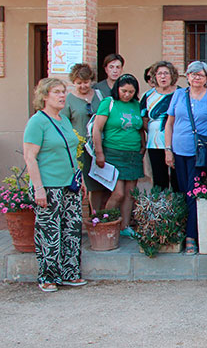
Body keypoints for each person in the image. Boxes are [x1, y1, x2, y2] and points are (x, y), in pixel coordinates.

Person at [24, 78, 87, 292]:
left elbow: (71, 151)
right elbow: (30, 157)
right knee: (49, 231)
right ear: (44, 96)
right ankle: (48, 276)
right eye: (57, 92)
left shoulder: (64, 120)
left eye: (63, 92)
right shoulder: (37, 122)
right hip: (48, 185)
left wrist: (80, 178)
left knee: (72, 228)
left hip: (69, 184)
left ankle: (70, 273)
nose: (62, 96)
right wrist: (38, 188)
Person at [165, 61, 207, 255]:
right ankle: (184, 231)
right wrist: (168, 149)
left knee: (193, 193)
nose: (196, 77)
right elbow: (169, 124)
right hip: (178, 151)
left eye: (201, 74)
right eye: (193, 74)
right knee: (182, 190)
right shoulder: (178, 95)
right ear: (187, 77)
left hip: (199, 154)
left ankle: (192, 237)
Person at [92, 74, 145, 237]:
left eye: (131, 91)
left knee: (130, 192)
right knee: (118, 192)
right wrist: (99, 153)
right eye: (124, 91)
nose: (127, 95)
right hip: (113, 153)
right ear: (117, 89)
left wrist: (142, 146)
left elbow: (140, 127)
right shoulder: (109, 103)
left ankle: (124, 226)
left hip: (133, 154)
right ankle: (104, 224)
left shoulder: (136, 105)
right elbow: (97, 129)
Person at [60, 63, 106, 213]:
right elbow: (64, 124)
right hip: (80, 148)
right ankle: (78, 217)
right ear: (73, 82)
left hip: (99, 145)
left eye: (86, 82)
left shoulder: (99, 96)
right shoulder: (69, 100)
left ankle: (96, 216)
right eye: (79, 83)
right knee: (81, 182)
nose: (83, 86)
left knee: (98, 184)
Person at [140, 61, 179, 191]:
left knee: (177, 180)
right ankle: (161, 210)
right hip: (155, 143)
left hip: (177, 143)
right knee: (159, 181)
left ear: (172, 75)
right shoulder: (148, 96)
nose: (163, 77)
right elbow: (144, 120)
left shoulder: (181, 93)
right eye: (159, 74)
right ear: (154, 76)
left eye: (166, 73)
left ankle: (179, 209)